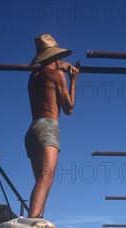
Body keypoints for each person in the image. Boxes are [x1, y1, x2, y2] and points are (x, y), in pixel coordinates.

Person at [25, 34, 79, 218]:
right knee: (46, 177)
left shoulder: (34, 76)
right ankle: (31, 223)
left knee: (41, 181)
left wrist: (63, 66)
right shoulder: (57, 76)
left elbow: (50, 67)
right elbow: (69, 108)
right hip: (48, 127)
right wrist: (73, 80)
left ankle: (37, 223)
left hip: (32, 130)